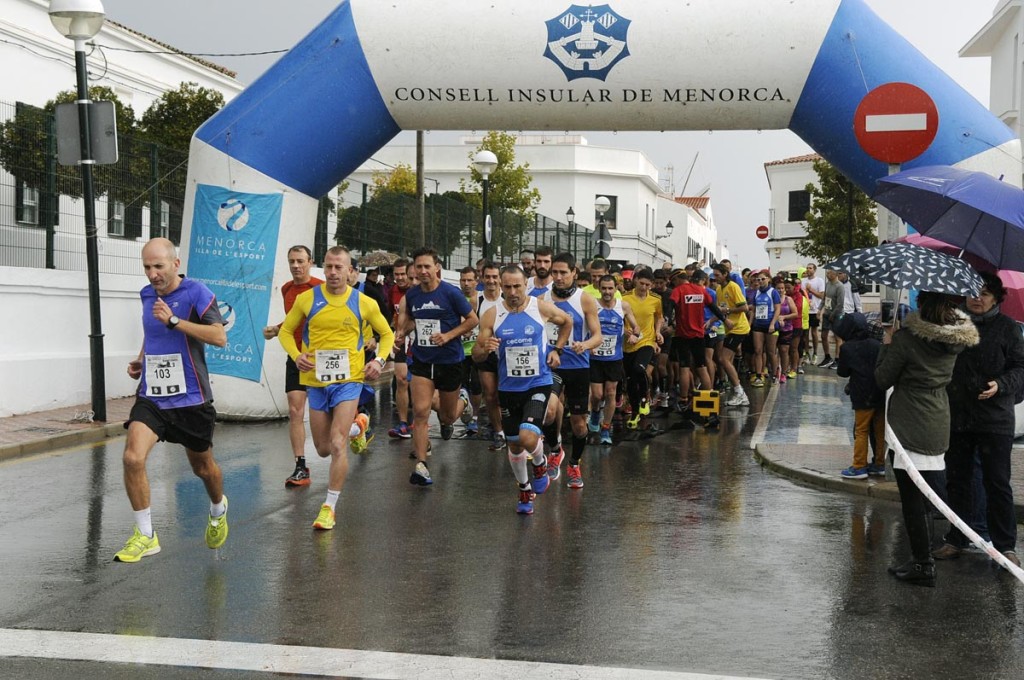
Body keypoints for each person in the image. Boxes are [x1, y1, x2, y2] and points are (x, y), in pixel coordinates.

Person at [114, 238, 229, 563]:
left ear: (175, 265)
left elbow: (220, 337)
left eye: (158, 267)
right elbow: (153, 334)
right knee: (132, 458)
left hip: (192, 398)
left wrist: (175, 321)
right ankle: (145, 535)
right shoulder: (146, 294)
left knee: (204, 469)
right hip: (153, 396)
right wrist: (142, 359)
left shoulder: (196, 293)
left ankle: (218, 508)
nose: (152, 274)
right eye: (147, 267)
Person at [279, 246, 395, 530]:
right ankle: (359, 426)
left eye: (339, 267)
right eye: (329, 267)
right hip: (316, 382)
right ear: (324, 268)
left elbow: (387, 333)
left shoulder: (363, 302)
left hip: (349, 380)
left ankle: (329, 507)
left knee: (336, 442)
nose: (333, 272)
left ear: (350, 271)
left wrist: (379, 361)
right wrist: (297, 356)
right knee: (320, 449)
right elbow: (285, 332)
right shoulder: (307, 299)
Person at [875, 292, 979, 587]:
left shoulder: (907, 339)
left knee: (913, 499)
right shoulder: (955, 341)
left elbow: (883, 379)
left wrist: (887, 345)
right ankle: (923, 557)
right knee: (927, 495)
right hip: (937, 418)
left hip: (909, 423)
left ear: (922, 306)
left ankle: (923, 563)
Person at [934, 273, 1024, 567]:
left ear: (997, 298)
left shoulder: (1008, 328)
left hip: (995, 420)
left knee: (997, 483)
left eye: (984, 293)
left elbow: (1020, 367)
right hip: (959, 416)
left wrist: (1002, 384)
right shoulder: (956, 324)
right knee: (958, 481)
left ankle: (1005, 546)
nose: (977, 298)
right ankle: (957, 538)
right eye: (972, 292)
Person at [474, 265, 572, 514]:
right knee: (516, 445)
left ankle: (540, 463)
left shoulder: (538, 307)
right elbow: (476, 355)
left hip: (538, 383)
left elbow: (567, 322)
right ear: (500, 287)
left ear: (525, 284)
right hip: (508, 387)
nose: (513, 291)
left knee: (529, 437)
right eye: (507, 287)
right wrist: (484, 347)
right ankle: (524, 488)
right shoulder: (492, 315)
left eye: (517, 286)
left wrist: (557, 350)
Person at [395, 247, 479, 486]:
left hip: (450, 361)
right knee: (420, 412)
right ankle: (422, 465)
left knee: (448, 416)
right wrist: (402, 333)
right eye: (418, 267)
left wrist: (449, 335)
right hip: (422, 360)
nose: (422, 271)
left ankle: (462, 400)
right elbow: (411, 321)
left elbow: (473, 320)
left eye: (427, 267)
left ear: (437, 267)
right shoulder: (412, 295)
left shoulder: (450, 293)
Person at [263, 245, 323, 487]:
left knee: (326, 414)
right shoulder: (287, 289)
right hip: (296, 357)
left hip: (322, 359)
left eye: (300, 261)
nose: (296, 266)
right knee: (296, 411)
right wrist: (277, 329)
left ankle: (357, 423)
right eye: (292, 261)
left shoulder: (321, 288)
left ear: (310, 262)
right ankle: (300, 466)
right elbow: (293, 319)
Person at [543, 252, 603, 489]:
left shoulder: (585, 299)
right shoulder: (541, 298)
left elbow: (597, 335)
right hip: (551, 365)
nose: (558, 277)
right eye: (554, 273)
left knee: (579, 425)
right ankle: (555, 450)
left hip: (578, 365)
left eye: (563, 273)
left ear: (574, 273)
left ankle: (574, 464)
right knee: (549, 411)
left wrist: (585, 345)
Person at [589, 275, 640, 445]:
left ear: (616, 288)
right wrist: (590, 343)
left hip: (614, 358)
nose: (607, 292)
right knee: (597, 395)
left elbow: (636, 327)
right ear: (599, 288)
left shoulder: (623, 306)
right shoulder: (593, 305)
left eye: (610, 288)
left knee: (610, 393)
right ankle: (596, 412)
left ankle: (605, 428)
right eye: (604, 288)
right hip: (595, 357)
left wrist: (635, 336)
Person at [834, 313, 885, 479]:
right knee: (879, 430)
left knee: (861, 430)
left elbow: (842, 372)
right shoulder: (876, 344)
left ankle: (859, 466)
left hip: (861, 394)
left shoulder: (847, 348)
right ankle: (880, 463)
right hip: (879, 392)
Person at [622, 268, 665, 433]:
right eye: (641, 283)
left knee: (639, 369)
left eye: (648, 285)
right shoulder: (624, 299)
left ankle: (645, 398)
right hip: (628, 343)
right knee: (631, 380)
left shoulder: (655, 299)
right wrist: (625, 332)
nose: (644, 287)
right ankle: (634, 413)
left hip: (646, 341)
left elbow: (659, 317)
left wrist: (658, 332)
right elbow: (618, 319)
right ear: (635, 281)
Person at [473, 262, 505, 448]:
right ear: (482, 278)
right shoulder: (476, 300)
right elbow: (468, 322)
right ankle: (499, 432)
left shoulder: (507, 297)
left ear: (500, 278)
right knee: (490, 395)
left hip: (506, 352)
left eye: (495, 277)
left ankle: (512, 429)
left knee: (506, 395)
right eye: (488, 277)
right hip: (485, 351)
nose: (491, 280)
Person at [712, 263, 750, 407]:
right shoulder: (718, 289)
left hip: (738, 328)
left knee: (723, 358)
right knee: (726, 360)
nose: (715, 278)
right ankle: (738, 391)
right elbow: (720, 311)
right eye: (714, 276)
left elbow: (744, 307)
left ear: (725, 274)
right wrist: (710, 321)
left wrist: (728, 310)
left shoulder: (733, 286)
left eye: (717, 275)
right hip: (730, 328)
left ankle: (740, 392)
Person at [387, 258, 413, 439]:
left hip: (420, 341)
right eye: (397, 274)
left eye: (403, 274)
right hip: (402, 340)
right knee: (401, 379)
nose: (400, 278)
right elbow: (390, 313)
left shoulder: (418, 291)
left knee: (419, 384)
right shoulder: (392, 291)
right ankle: (403, 423)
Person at [748, 271, 781, 386]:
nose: (760, 281)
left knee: (771, 352)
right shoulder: (756, 293)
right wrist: (750, 324)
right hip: (758, 324)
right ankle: (758, 375)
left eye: (762, 279)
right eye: (758, 279)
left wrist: (772, 323)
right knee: (758, 351)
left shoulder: (773, 292)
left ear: (768, 279)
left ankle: (775, 374)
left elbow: (777, 309)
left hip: (770, 325)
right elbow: (754, 309)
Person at [818, 268, 845, 368]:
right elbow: (824, 299)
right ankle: (827, 357)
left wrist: (833, 315)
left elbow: (840, 304)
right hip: (827, 313)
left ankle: (838, 359)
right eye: (827, 273)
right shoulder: (828, 284)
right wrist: (819, 310)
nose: (827, 275)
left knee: (838, 337)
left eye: (829, 273)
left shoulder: (840, 286)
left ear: (835, 274)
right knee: (824, 335)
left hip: (837, 314)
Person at [803, 264, 826, 363]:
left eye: (810, 268)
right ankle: (806, 353)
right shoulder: (803, 281)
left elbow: (822, 296)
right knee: (805, 333)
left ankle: (815, 353)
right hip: (805, 310)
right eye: (807, 268)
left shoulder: (819, 281)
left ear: (815, 270)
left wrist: (811, 289)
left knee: (814, 332)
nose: (808, 269)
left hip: (815, 309)